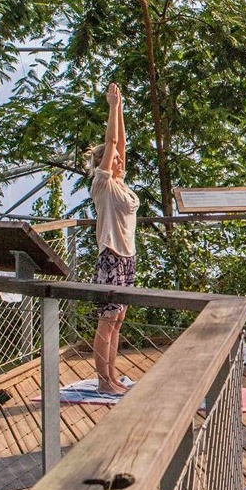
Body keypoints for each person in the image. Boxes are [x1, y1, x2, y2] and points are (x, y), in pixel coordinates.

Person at [88, 82, 140, 395]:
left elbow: (120, 141)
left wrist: (121, 108)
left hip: (128, 255)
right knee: (107, 322)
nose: (119, 158)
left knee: (118, 320)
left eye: (120, 158)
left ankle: (113, 376)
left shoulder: (120, 184)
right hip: (110, 256)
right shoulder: (102, 183)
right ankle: (103, 381)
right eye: (113, 158)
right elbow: (112, 142)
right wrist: (111, 107)